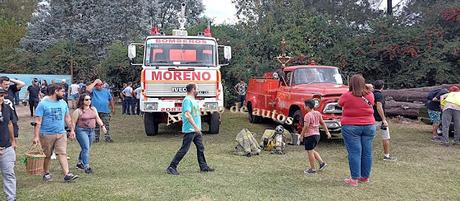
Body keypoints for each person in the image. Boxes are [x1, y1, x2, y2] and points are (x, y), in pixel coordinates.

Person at [32, 84, 79, 182]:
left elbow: (67, 118)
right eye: (62, 91)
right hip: (46, 134)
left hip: (61, 133)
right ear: (55, 91)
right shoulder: (43, 104)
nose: (64, 93)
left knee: (62, 153)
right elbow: (38, 121)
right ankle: (46, 172)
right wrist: (36, 136)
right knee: (47, 154)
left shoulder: (63, 103)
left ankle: (67, 174)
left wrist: (71, 130)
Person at [166, 83, 214, 175]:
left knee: (200, 148)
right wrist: (195, 127)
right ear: (193, 90)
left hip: (196, 130)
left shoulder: (193, 100)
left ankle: (203, 166)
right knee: (184, 149)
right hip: (191, 129)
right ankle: (172, 167)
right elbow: (187, 115)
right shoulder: (187, 100)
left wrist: (198, 128)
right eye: (197, 89)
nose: (198, 91)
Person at [338, 74, 376, 187]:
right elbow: (372, 101)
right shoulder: (370, 95)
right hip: (369, 125)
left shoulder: (347, 95)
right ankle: (365, 177)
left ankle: (354, 178)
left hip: (350, 126)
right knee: (367, 152)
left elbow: (339, 103)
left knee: (355, 153)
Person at [72, 94, 107, 174]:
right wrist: (72, 131)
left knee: (86, 147)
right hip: (81, 130)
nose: (89, 101)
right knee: (86, 148)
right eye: (86, 100)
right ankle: (87, 166)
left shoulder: (93, 109)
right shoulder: (78, 111)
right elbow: (73, 122)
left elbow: (97, 118)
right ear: (82, 101)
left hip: (91, 130)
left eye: (89, 99)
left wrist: (102, 126)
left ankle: (80, 162)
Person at [300, 99, 331, 175]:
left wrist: (301, 135)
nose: (304, 107)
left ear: (307, 106)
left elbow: (306, 126)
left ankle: (312, 169)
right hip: (317, 135)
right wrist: (327, 132)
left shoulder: (307, 115)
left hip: (310, 135)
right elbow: (322, 123)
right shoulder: (318, 113)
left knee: (310, 152)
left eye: (304, 105)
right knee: (312, 150)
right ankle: (322, 163)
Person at [372, 80, 397, 161]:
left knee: (368, 138)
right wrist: (384, 119)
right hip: (378, 120)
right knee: (386, 137)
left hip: (371, 118)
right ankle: (386, 156)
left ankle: (361, 154)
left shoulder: (371, 94)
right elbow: (379, 106)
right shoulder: (379, 95)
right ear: (382, 86)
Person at [0, 88, 17, 201]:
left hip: (6, 147)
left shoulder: (7, 108)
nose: (0, 98)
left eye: (2, 96)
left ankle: (11, 198)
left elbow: (10, 123)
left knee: (9, 174)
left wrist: (13, 141)